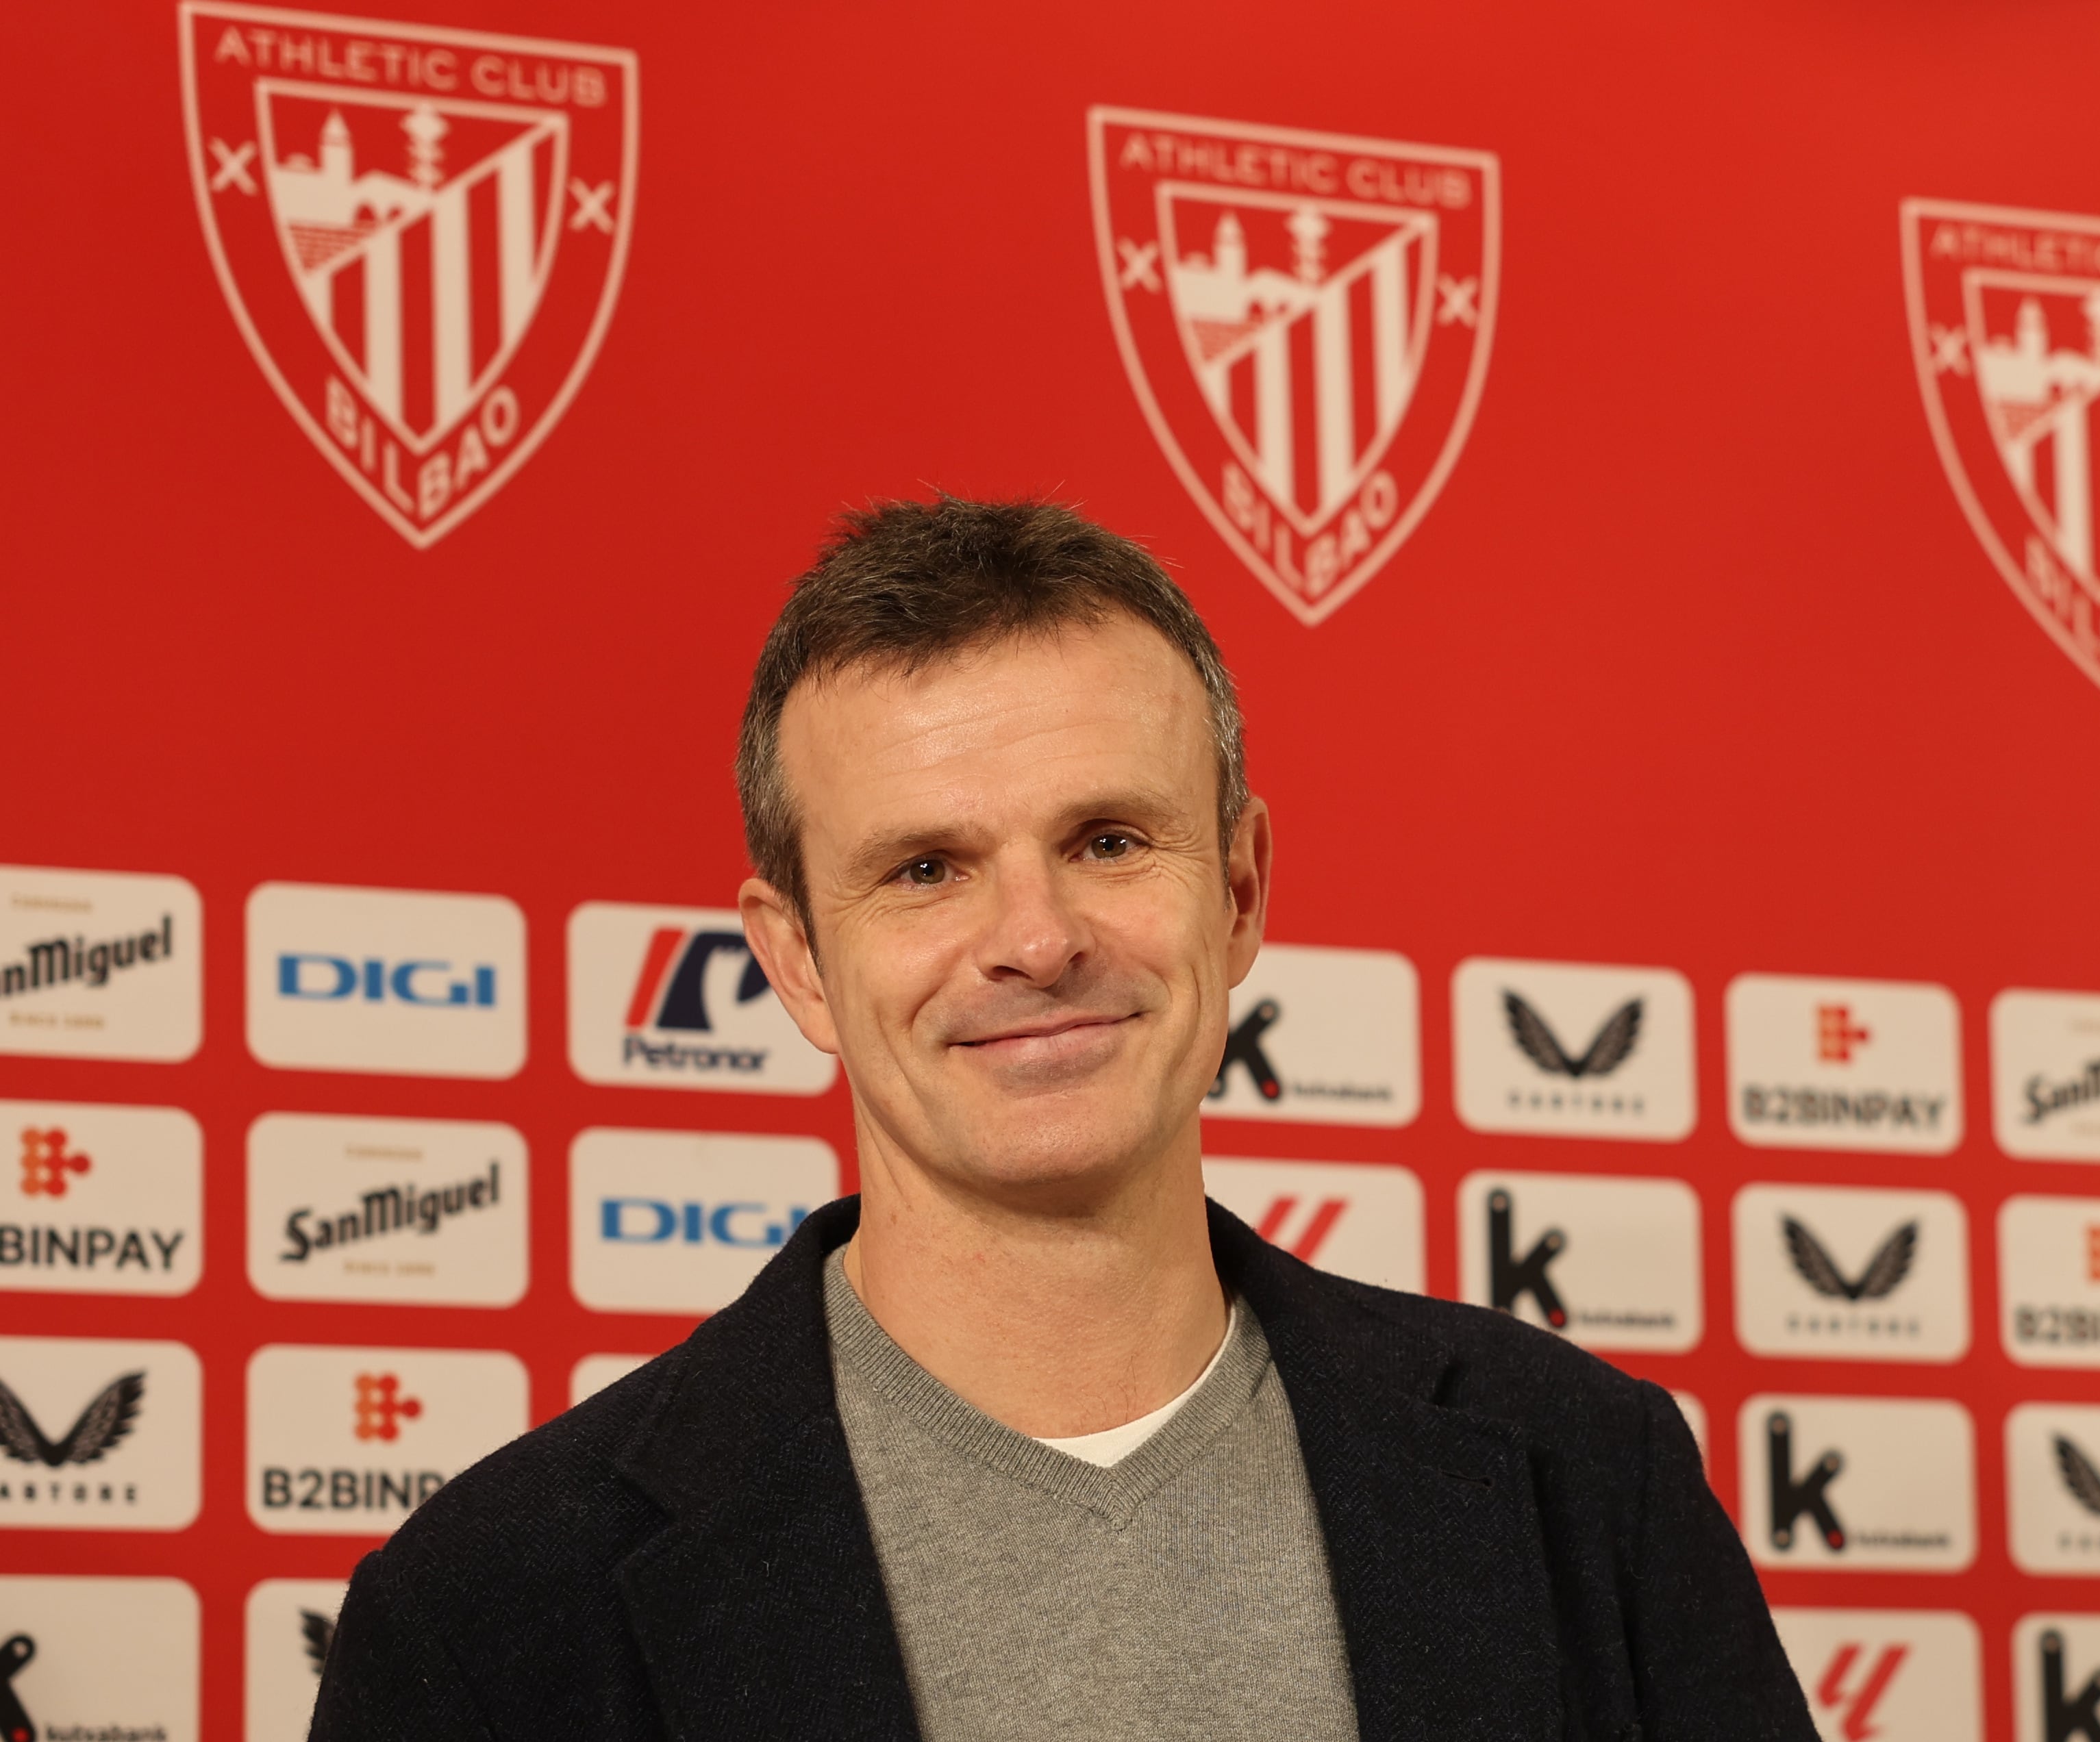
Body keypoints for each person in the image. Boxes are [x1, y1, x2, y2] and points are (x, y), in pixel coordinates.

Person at [311, 497, 1816, 1741]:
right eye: (923, 870)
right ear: (793, 962)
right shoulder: (490, 1616)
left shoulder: (1583, 1481)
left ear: (1235, 892)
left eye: (1106, 840)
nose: (1034, 939)